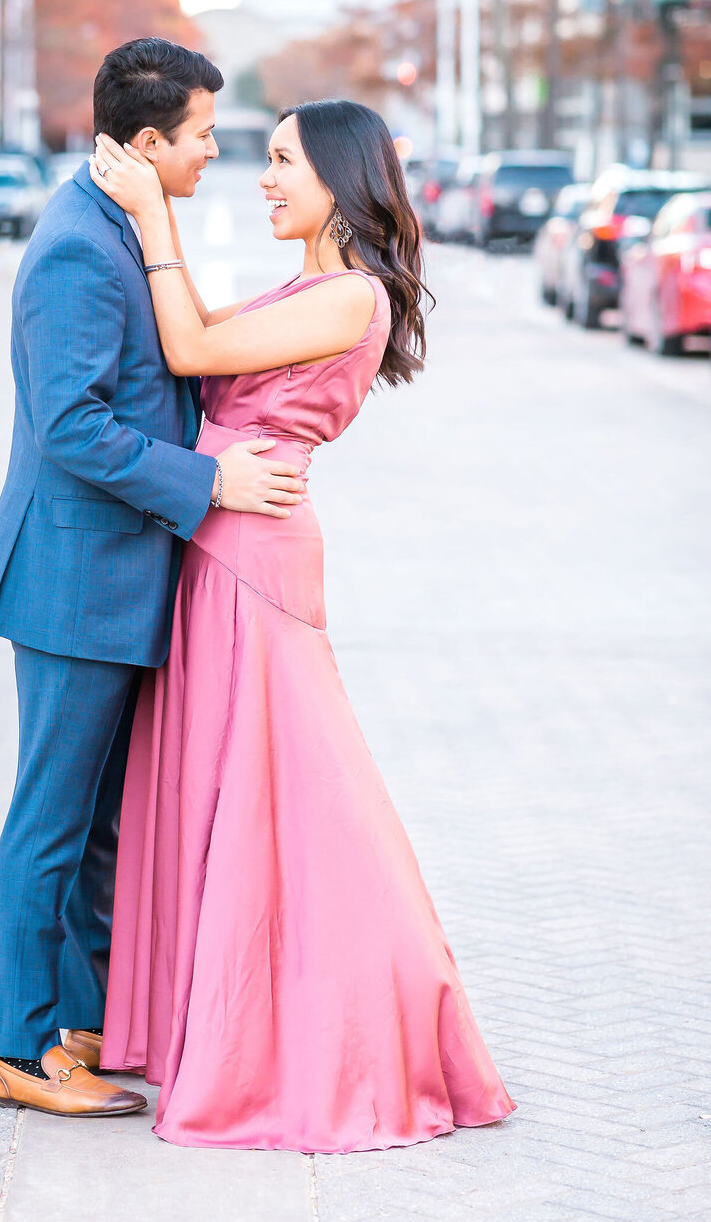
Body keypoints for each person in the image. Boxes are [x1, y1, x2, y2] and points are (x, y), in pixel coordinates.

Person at [91, 99, 515, 1153]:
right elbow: (190, 336)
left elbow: (189, 345)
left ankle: (356, 1028)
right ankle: (230, 1027)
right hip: (225, 540)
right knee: (234, 792)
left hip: (255, 558)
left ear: (338, 172)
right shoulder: (305, 286)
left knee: (293, 801)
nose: (265, 179)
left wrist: (153, 212)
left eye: (282, 161)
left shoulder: (350, 299)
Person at [0, 38, 309, 1119]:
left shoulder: (125, 225)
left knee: (100, 824)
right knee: (52, 822)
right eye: (205, 135)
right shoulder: (79, 245)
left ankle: (83, 1025)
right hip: (74, 580)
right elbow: (73, 427)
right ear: (151, 139)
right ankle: (19, 1052)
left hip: (118, 576)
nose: (218, 150)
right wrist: (209, 481)